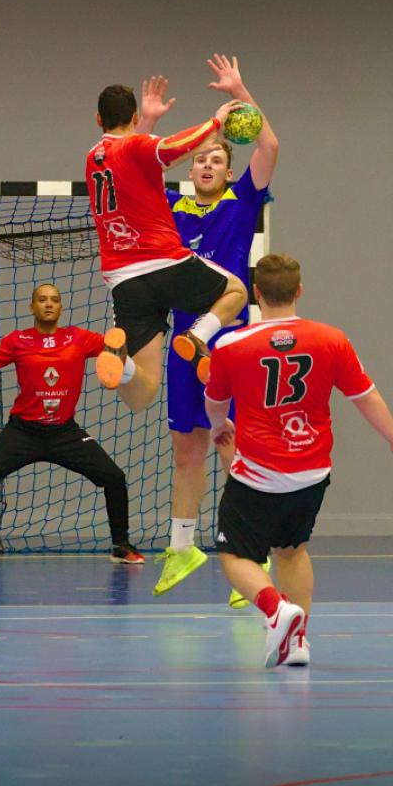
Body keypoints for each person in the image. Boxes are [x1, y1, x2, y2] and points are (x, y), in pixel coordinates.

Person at [205, 254, 393, 668]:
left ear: (256, 293)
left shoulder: (230, 345)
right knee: (292, 550)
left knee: (234, 555)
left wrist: (218, 426)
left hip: (258, 476)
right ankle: (296, 642)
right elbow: (366, 397)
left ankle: (276, 610)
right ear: (299, 290)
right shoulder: (331, 339)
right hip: (312, 472)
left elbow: (215, 401)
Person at [134, 56, 280, 599]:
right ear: (190, 169)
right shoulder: (170, 206)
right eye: (199, 159)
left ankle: (250, 556)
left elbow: (269, 146)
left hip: (230, 342)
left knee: (231, 447)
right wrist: (148, 122)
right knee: (186, 447)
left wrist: (241, 93)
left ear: (227, 170)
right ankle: (181, 549)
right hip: (183, 341)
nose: (206, 164)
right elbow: (134, 170)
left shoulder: (241, 202)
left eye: (216, 159)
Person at [0, 284, 143, 566]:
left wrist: (121, 349)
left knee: (114, 478)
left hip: (64, 433)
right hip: (23, 433)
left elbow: (116, 351)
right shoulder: (17, 340)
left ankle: (121, 545)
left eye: (55, 300)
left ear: (60, 307)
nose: (48, 304)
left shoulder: (79, 338)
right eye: (42, 299)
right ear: (32, 307)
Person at [85, 82, 248, 412]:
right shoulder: (134, 147)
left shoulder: (93, 158)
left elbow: (136, 157)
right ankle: (196, 337)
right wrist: (216, 122)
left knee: (141, 396)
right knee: (237, 291)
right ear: (133, 116)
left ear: (98, 119)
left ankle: (122, 365)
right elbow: (173, 148)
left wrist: (149, 121)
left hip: (124, 281)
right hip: (164, 264)